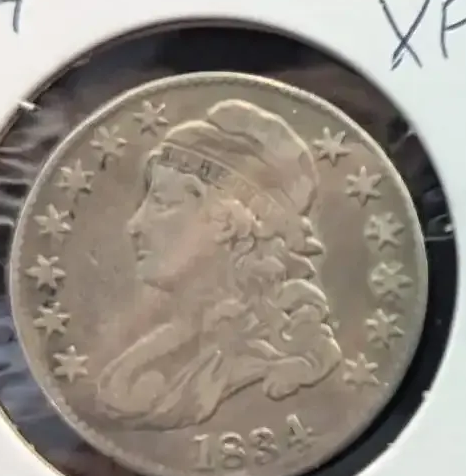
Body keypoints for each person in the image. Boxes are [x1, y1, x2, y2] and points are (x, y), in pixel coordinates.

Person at [94, 99, 342, 430]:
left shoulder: (263, 365)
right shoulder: (169, 349)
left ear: (226, 223)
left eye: (162, 203)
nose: (134, 225)